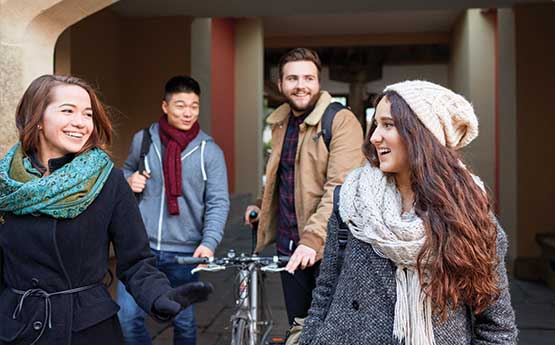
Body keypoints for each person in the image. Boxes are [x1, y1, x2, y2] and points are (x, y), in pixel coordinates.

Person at [300, 80, 518, 345]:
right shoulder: (352, 200)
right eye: (376, 124)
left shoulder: (471, 218)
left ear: (422, 134)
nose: (374, 137)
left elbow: (496, 328)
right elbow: (324, 294)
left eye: (388, 125)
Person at [0, 74, 214, 345]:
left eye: (88, 114)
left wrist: (161, 296)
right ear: (38, 118)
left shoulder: (108, 181)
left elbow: (136, 262)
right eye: (68, 111)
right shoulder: (6, 185)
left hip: (87, 330)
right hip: (16, 329)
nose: (81, 122)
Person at [244, 48, 364, 325]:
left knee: (332, 329)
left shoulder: (341, 121)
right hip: (289, 246)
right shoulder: (280, 122)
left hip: (329, 246)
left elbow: (340, 187)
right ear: (281, 84)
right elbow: (280, 174)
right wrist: (261, 205)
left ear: (318, 82)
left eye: (308, 78)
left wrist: (312, 239)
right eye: (293, 78)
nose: (301, 85)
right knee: (297, 326)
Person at [116, 75, 229, 345]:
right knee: (127, 319)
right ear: (165, 106)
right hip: (140, 248)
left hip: (184, 253)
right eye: (180, 105)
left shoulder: (209, 152)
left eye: (194, 106)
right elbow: (126, 171)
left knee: (184, 323)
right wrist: (129, 180)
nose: (188, 112)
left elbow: (218, 201)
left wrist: (209, 242)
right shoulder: (143, 139)